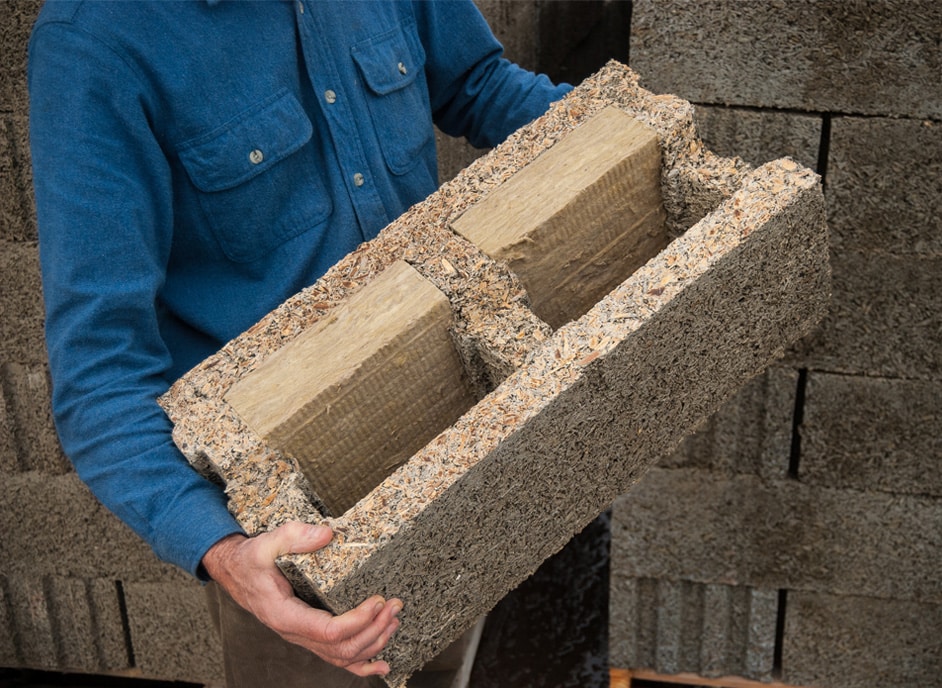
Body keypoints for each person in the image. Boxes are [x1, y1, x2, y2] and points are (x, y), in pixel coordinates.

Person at [28, 0, 570, 685]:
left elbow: (476, 85)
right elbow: (98, 377)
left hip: (454, 434)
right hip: (300, 538)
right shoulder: (96, 42)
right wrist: (226, 553)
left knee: (443, 665)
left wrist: (626, 123)